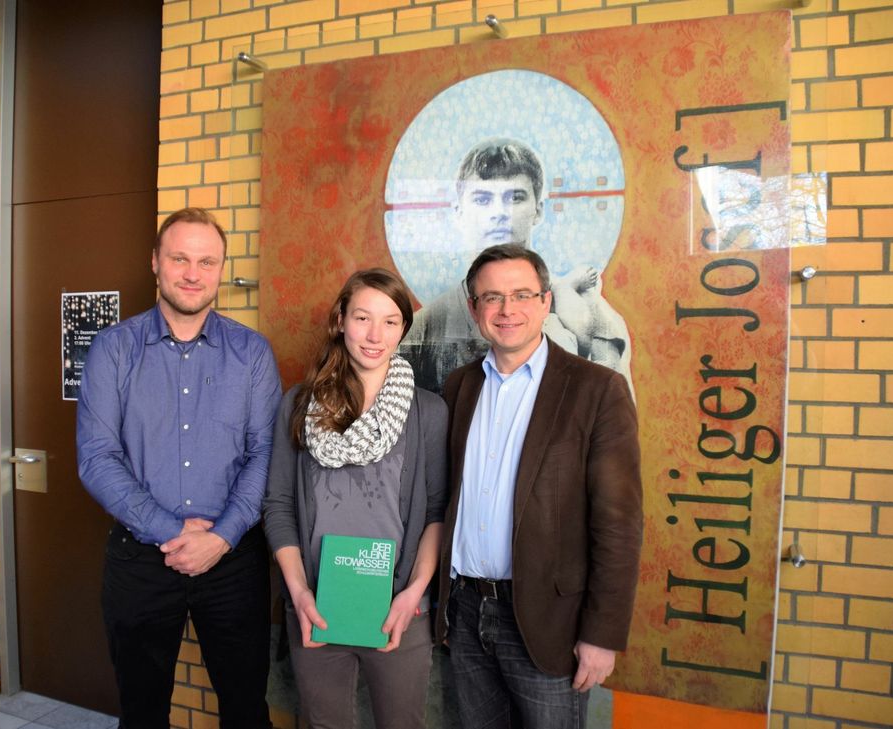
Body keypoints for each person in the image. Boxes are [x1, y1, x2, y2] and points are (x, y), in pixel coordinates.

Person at [77, 207, 281, 729]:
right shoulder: (112, 350)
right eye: (180, 259)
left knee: (246, 712)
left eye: (206, 261)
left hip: (233, 560)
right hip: (140, 559)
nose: (193, 273)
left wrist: (222, 536)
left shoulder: (252, 353)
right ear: (155, 262)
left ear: (221, 269)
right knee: (141, 714)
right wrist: (172, 531)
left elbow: (265, 453)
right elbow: (97, 458)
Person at [435, 244, 642, 729]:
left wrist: (602, 634)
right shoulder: (459, 387)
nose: (507, 309)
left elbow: (619, 524)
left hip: (550, 622)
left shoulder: (597, 390)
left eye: (522, 295)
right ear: (474, 309)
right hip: (465, 613)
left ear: (546, 301)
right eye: (492, 297)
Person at [263, 268, 448, 729]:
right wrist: (299, 592)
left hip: (400, 608)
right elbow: (279, 504)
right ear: (341, 320)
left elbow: (436, 512)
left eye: (390, 321)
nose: (374, 335)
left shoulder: (428, 412)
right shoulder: (300, 406)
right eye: (363, 317)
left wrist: (413, 593)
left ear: (403, 329)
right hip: (316, 605)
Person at [398, 138, 632, 395]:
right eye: (483, 199)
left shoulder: (592, 319)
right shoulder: (422, 330)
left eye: (515, 198)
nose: (500, 212)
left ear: (538, 210)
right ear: (458, 211)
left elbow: (611, 412)